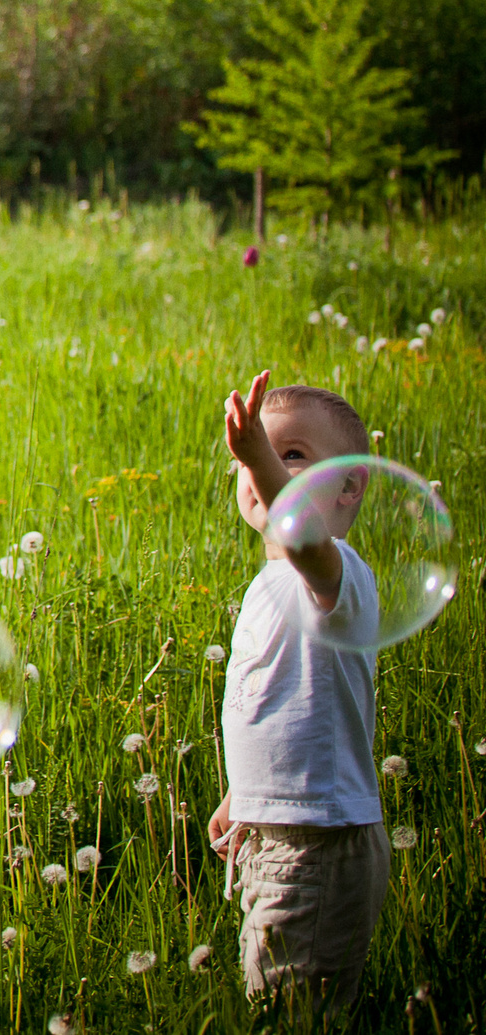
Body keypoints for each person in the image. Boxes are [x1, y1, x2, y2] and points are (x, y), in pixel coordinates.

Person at [208, 373, 387, 1026]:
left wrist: (254, 450)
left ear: (348, 487)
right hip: (281, 830)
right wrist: (244, 793)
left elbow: (302, 532)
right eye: (257, 451)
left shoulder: (333, 570)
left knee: (290, 1013)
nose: (264, 463)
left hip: (319, 843)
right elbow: (283, 705)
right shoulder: (270, 584)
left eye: (293, 454)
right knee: (273, 993)